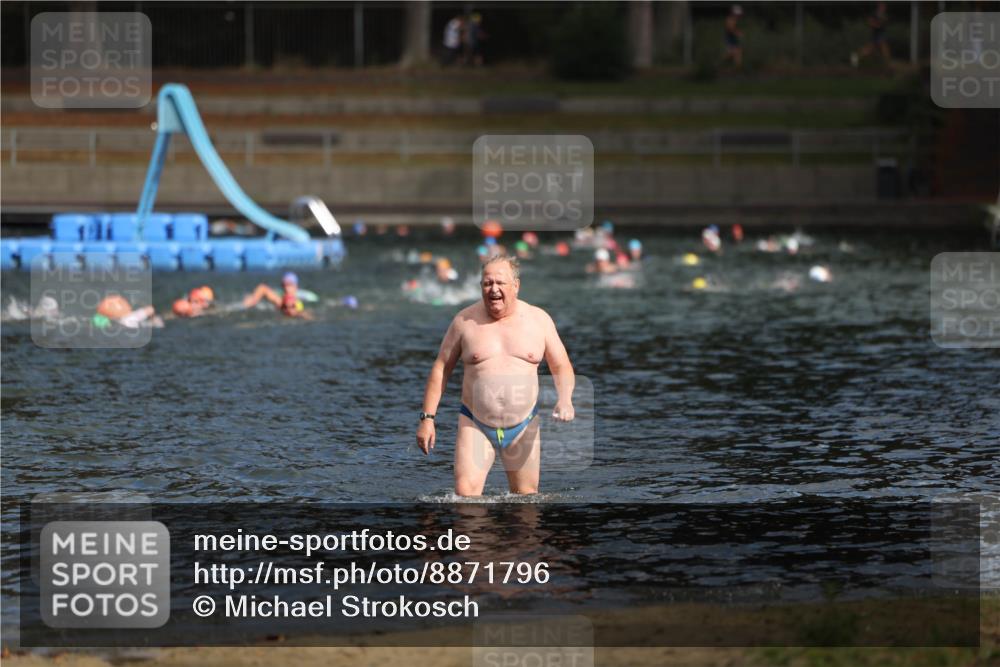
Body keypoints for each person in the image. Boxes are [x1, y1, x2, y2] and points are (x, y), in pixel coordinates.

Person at [416, 255, 575, 496]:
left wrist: (565, 399)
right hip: (475, 423)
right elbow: (441, 368)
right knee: (465, 497)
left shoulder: (538, 320)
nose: (494, 289)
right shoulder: (464, 322)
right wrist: (427, 418)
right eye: (487, 283)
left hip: (524, 424)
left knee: (525, 502)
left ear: (516, 286)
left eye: (500, 283)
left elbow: (561, 365)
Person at [243, 272, 313, 319]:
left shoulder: (306, 297)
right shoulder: (279, 299)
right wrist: (254, 299)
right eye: (284, 285)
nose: (286, 288)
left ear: (296, 286)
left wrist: (298, 313)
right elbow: (263, 288)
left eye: (289, 285)